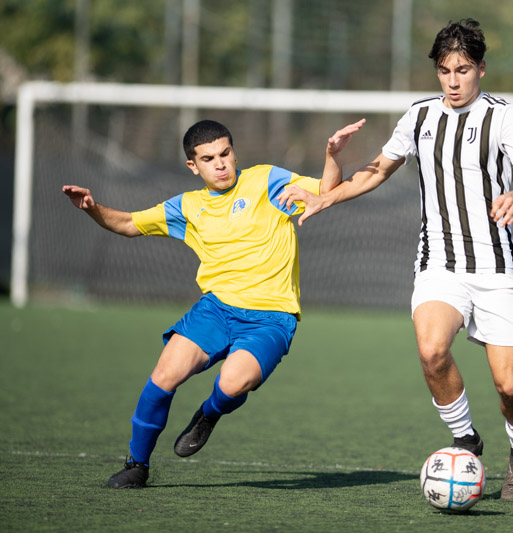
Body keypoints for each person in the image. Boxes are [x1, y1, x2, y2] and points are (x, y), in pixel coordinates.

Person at [278, 19, 513, 500]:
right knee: (430, 350)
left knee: (510, 386)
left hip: (495, 267)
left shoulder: (503, 116)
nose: (453, 80)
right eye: (445, 70)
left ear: (481, 69)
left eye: (463, 70)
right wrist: (327, 196)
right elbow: (377, 170)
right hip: (438, 261)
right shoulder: (419, 116)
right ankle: (465, 440)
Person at [63, 117, 365, 488]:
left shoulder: (267, 181)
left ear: (234, 153)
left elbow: (325, 192)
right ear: (193, 166)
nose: (220, 164)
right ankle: (136, 465)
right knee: (162, 377)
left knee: (234, 384)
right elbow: (128, 224)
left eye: (225, 154)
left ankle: (209, 413)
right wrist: (91, 207)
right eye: (208, 159)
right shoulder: (187, 206)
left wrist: (332, 155)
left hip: (271, 318)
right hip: (215, 311)